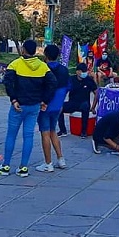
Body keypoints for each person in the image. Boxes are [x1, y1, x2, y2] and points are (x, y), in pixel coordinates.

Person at [0, 40, 56, 177]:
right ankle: (23, 167)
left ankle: (6, 165)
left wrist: (13, 99)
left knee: (11, 135)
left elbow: (8, 82)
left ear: (23, 50)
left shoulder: (15, 64)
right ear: (35, 51)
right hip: (34, 106)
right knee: (28, 136)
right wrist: (44, 100)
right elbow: (53, 83)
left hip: (18, 105)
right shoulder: (43, 67)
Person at [35, 44, 68, 172]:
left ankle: (48, 163)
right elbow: (66, 88)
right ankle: (61, 159)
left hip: (45, 105)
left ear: (45, 55)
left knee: (45, 133)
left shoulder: (43, 69)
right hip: (57, 106)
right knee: (53, 131)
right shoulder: (64, 70)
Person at [59, 63, 98, 138]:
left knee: (85, 106)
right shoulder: (71, 79)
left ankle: (84, 132)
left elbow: (96, 93)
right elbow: (64, 92)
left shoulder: (89, 80)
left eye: (85, 71)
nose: (84, 73)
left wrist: (93, 107)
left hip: (84, 103)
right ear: (77, 72)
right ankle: (63, 130)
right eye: (82, 71)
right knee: (58, 108)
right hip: (73, 103)